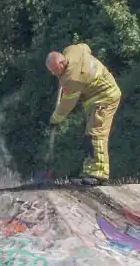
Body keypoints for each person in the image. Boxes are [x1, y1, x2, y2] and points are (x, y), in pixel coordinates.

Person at [45, 43, 122, 185]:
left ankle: (99, 174)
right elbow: (85, 47)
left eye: (55, 71)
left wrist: (54, 119)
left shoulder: (71, 79)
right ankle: (89, 171)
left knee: (95, 134)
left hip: (104, 97)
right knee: (89, 136)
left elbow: (67, 104)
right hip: (98, 98)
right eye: (52, 71)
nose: (54, 74)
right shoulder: (72, 50)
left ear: (62, 63)